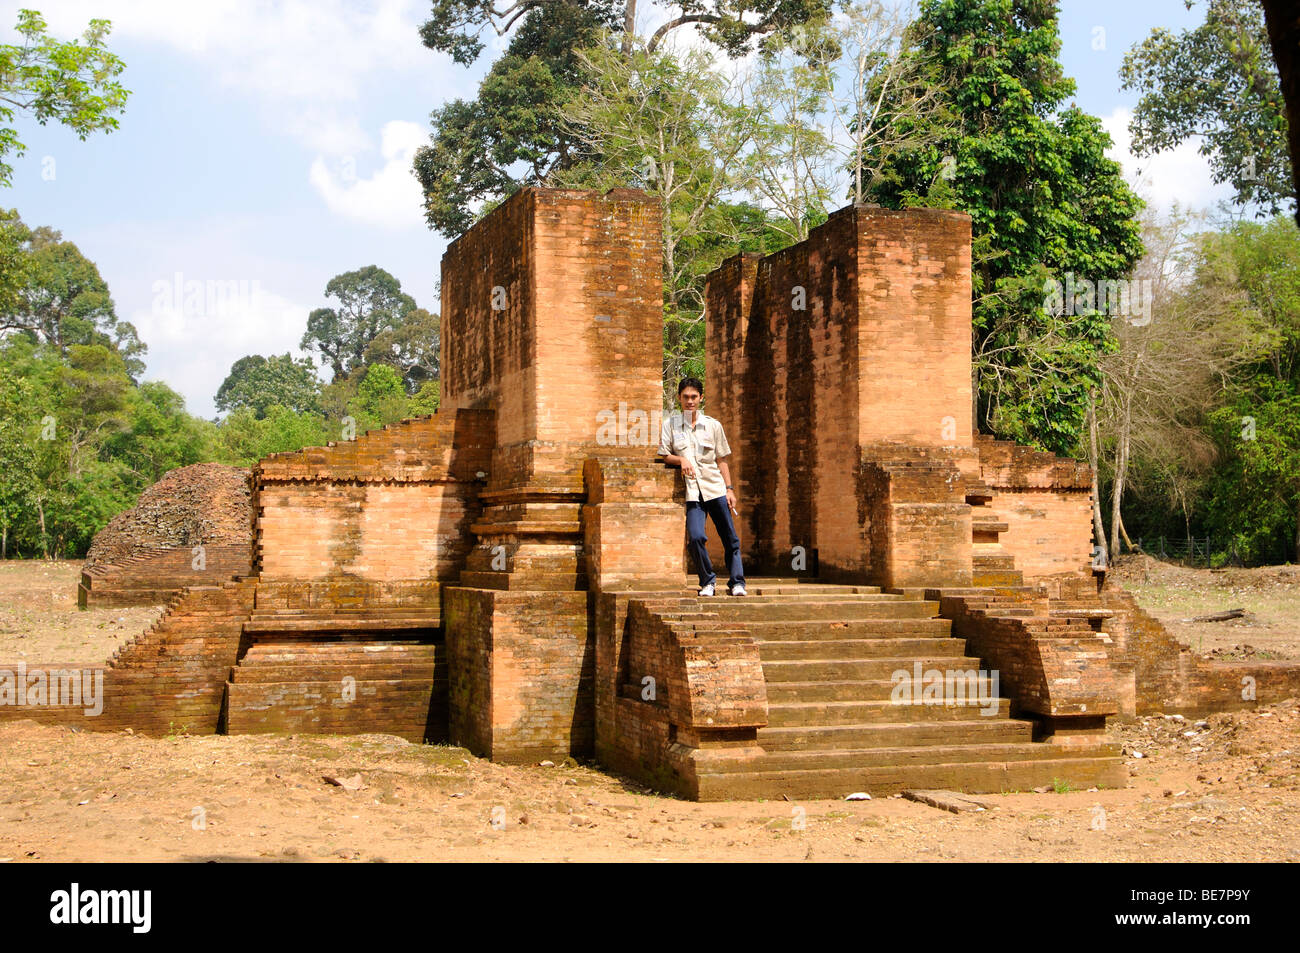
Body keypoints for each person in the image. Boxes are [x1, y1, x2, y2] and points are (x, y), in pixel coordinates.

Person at [657, 377, 746, 597]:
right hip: (693, 492)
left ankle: (737, 582)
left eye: (694, 397)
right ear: (679, 398)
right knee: (696, 537)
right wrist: (681, 461)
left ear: (701, 398)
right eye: (685, 397)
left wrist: (730, 488)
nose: (689, 401)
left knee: (730, 538)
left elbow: (722, 459)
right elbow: (664, 454)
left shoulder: (713, 426)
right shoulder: (671, 425)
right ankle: (708, 581)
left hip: (715, 487)